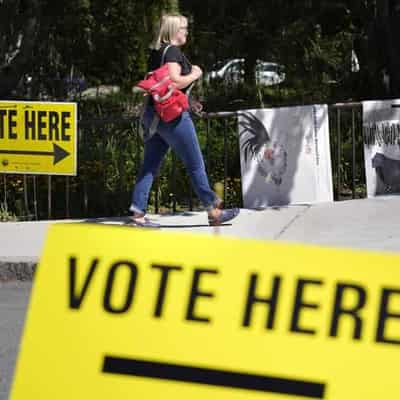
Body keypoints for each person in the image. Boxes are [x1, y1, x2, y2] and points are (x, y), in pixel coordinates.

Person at [129, 13, 240, 227]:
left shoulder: (156, 52)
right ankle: (214, 211)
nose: (186, 32)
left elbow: (162, 87)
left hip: (156, 117)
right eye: (183, 28)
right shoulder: (172, 52)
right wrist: (195, 74)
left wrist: (190, 102)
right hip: (173, 118)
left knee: (150, 165)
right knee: (195, 164)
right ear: (172, 30)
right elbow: (175, 81)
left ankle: (138, 214)